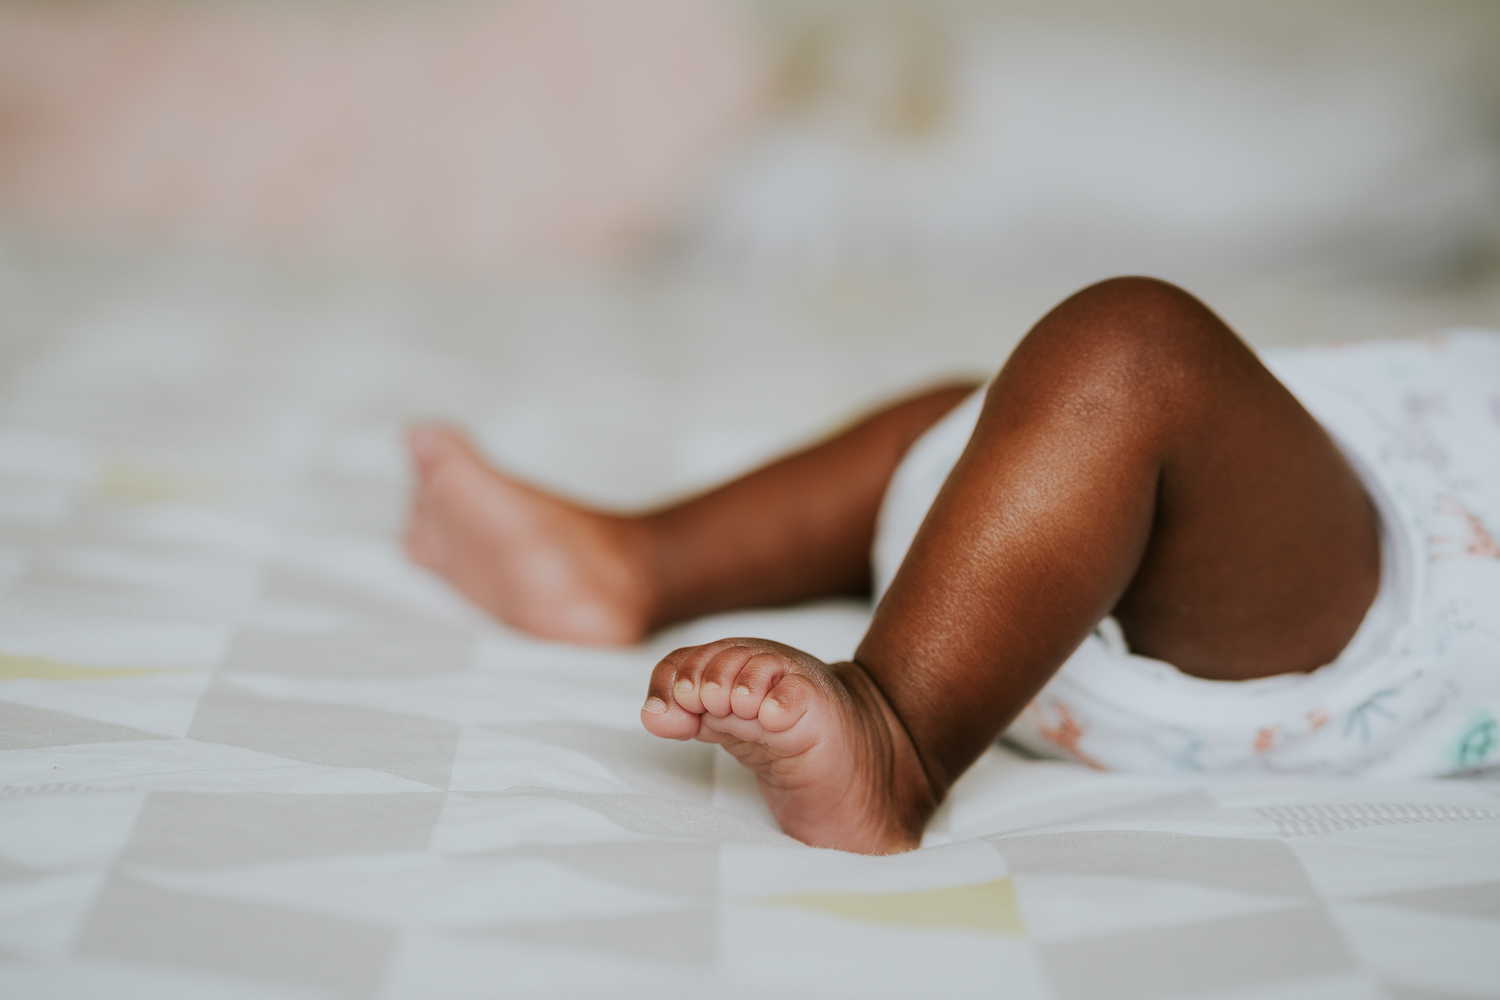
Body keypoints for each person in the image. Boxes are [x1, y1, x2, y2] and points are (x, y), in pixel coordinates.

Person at [405, 277, 1500, 854]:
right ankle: (633, 562)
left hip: (1383, 606)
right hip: (1113, 558)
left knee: (1134, 353)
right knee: (970, 423)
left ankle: (896, 733)